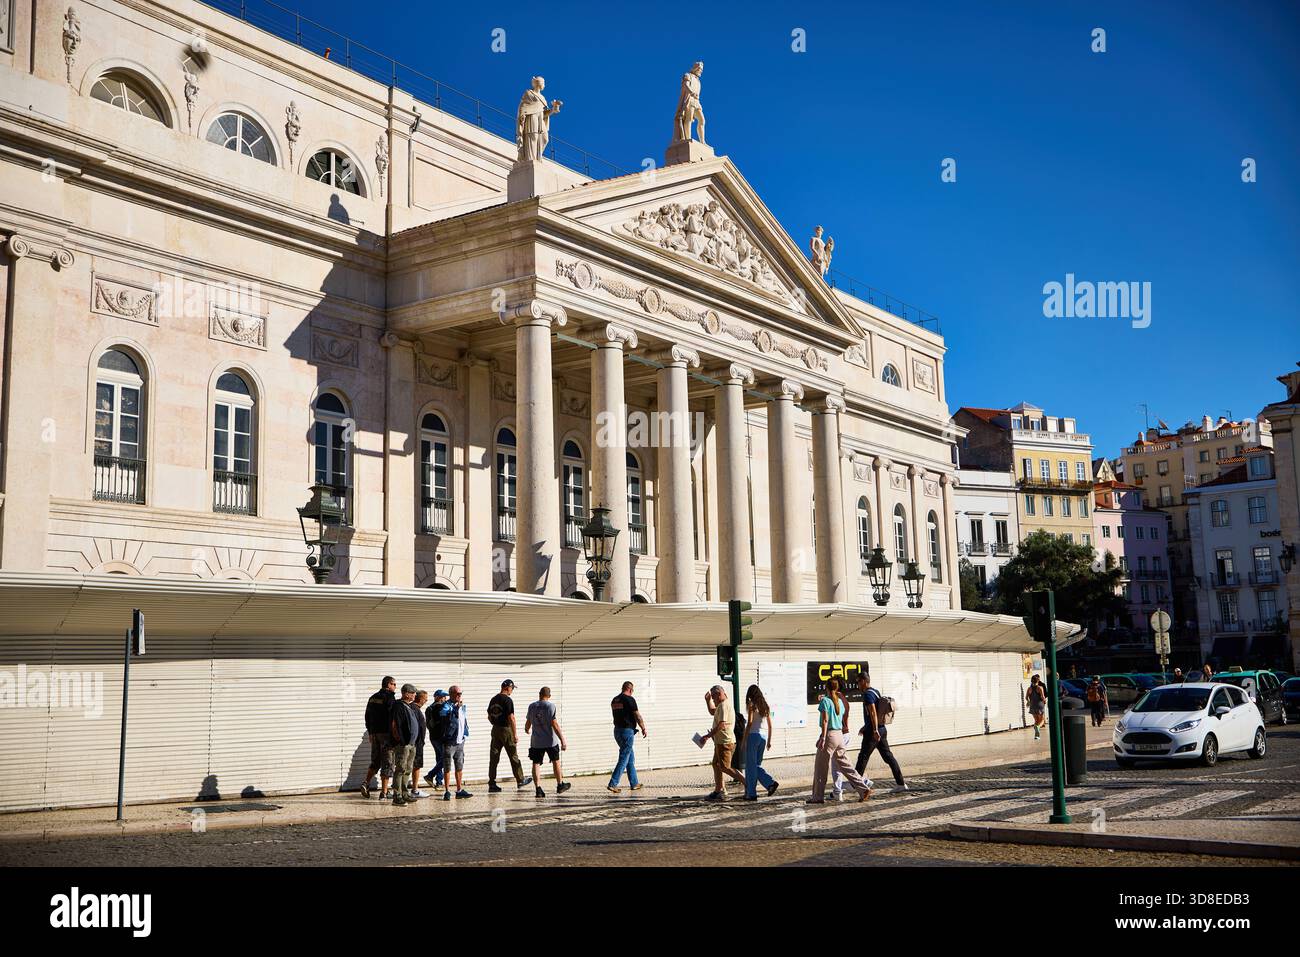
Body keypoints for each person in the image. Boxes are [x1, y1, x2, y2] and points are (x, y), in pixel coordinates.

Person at [809, 677, 872, 803]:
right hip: (840, 736)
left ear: (827, 687)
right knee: (846, 765)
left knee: (821, 768)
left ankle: (817, 797)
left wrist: (822, 736)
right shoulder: (840, 702)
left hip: (830, 735)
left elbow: (826, 720)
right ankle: (863, 788)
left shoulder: (825, 701)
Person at [855, 674, 907, 789]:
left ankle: (856, 784)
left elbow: (873, 712)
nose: (857, 684)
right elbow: (877, 714)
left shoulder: (868, 694)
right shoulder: (875, 691)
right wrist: (866, 725)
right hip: (882, 729)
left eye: (858, 681)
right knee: (888, 757)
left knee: (863, 757)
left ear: (864, 681)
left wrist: (873, 729)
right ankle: (901, 784)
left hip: (873, 732)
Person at [701, 686, 746, 800]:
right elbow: (712, 711)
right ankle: (719, 790)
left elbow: (721, 724)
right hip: (720, 742)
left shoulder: (724, 706)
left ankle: (748, 783)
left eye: (714, 697)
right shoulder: (721, 706)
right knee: (716, 764)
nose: (713, 700)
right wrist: (708, 701)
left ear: (719, 694)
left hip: (725, 742)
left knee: (725, 767)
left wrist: (708, 736)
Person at [524, 686, 571, 798]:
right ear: (549, 696)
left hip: (536, 741)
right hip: (550, 741)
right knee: (555, 761)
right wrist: (563, 740)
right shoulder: (550, 706)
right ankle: (560, 785)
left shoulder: (532, 706)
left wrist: (527, 729)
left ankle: (538, 789)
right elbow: (554, 724)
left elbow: (528, 722)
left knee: (536, 764)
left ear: (539, 694)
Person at [486, 679, 532, 792]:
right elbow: (511, 718)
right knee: (513, 756)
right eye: (512, 688)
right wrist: (515, 734)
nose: (512, 691)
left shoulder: (493, 699)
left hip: (495, 730)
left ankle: (492, 783)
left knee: (494, 758)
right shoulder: (508, 700)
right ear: (507, 687)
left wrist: (494, 723)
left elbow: (489, 715)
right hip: (506, 730)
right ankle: (520, 780)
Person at [741, 685, 779, 801]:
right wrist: (769, 741)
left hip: (753, 736)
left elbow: (750, 723)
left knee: (750, 767)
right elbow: (770, 725)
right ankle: (768, 784)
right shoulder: (765, 706)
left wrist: (744, 739)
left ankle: (752, 793)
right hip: (763, 736)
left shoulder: (752, 705)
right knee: (756, 765)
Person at [361, 676, 396, 799]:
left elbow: (367, 716)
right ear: (389, 684)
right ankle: (384, 792)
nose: (395, 687)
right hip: (386, 735)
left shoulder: (372, 698)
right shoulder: (390, 698)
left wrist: (371, 732)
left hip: (374, 734)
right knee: (388, 762)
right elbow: (393, 718)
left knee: (375, 761)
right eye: (394, 684)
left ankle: (366, 783)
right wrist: (394, 734)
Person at [608, 681, 647, 794]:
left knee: (629, 757)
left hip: (617, 731)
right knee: (624, 757)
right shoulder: (630, 699)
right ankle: (613, 783)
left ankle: (634, 783)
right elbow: (637, 715)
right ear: (630, 689)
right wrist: (643, 727)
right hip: (627, 731)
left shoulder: (615, 700)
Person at [440, 685, 473, 801]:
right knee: (447, 766)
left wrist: (465, 733)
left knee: (459, 766)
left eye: (460, 694)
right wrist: (454, 708)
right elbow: (444, 719)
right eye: (458, 694)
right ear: (452, 694)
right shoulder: (446, 706)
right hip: (449, 741)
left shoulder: (462, 706)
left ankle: (459, 790)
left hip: (460, 741)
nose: (460, 696)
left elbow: (463, 720)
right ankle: (447, 791)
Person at [389, 684, 419, 806]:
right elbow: (394, 725)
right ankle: (397, 795)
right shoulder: (398, 706)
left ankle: (405, 793)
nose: (414, 695)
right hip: (403, 744)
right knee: (400, 768)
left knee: (408, 769)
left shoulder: (410, 706)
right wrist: (400, 740)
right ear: (406, 693)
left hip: (412, 744)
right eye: (413, 693)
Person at [423, 690, 449, 789]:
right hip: (440, 738)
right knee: (445, 758)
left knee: (439, 758)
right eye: (443, 697)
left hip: (434, 737)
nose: (445, 699)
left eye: (445, 697)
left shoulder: (430, 708)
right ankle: (431, 775)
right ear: (437, 697)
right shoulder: (438, 707)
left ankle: (439, 782)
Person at [409, 690, 428, 798]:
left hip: (416, 742)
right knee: (416, 766)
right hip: (416, 743)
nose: (426, 701)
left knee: (410, 766)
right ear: (420, 699)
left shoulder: (413, 708)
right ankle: (415, 790)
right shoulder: (414, 709)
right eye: (425, 699)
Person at [1026, 674, 1047, 740]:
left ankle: (1037, 735)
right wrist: (1045, 701)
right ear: (1038, 681)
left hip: (1032, 706)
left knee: (1036, 720)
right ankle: (1038, 727)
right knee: (1042, 720)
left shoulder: (1029, 688)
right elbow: (1043, 697)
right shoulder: (1040, 688)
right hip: (1039, 705)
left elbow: (1026, 697)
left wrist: (1029, 701)